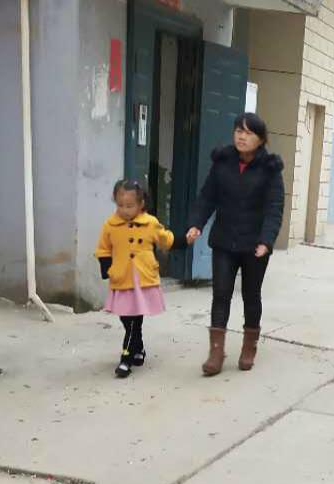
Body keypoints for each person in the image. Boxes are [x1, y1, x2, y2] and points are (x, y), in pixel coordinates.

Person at [187, 112, 285, 376]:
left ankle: (249, 346)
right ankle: (216, 352)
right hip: (224, 240)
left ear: (261, 139)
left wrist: (266, 241)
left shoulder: (270, 169)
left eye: (248, 132)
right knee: (221, 294)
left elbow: (274, 208)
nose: (242, 137)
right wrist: (196, 223)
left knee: (251, 295)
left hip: (255, 245)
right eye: (238, 131)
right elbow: (207, 197)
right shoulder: (223, 162)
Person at [95, 179, 175, 378]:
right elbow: (103, 249)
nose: (124, 210)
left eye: (129, 206)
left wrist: (184, 239)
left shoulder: (150, 223)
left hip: (142, 278)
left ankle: (126, 358)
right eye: (120, 205)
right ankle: (138, 348)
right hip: (121, 278)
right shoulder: (110, 225)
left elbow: (165, 239)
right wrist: (108, 270)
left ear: (141, 204)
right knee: (126, 317)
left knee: (134, 320)